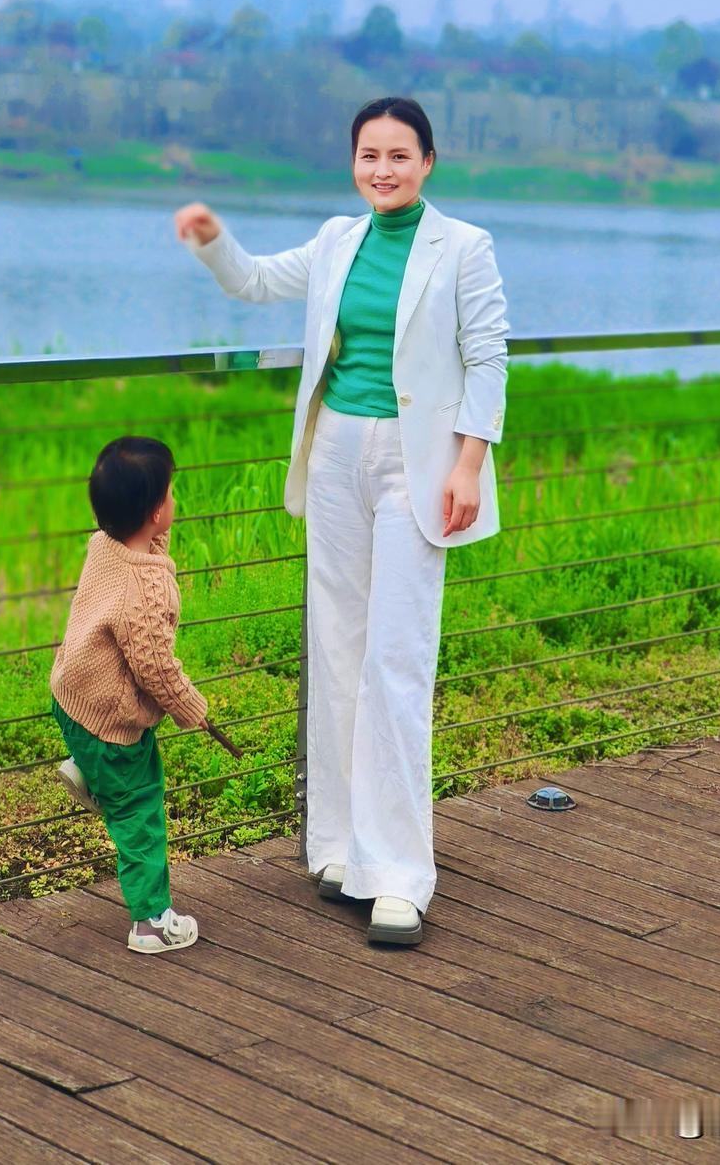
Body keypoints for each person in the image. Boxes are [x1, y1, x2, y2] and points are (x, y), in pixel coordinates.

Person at [175, 96, 508, 946]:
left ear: (429, 161)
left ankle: (400, 876)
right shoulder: (336, 240)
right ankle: (338, 847)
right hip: (333, 459)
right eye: (369, 156)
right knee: (337, 652)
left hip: (419, 465)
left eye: (400, 155)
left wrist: (468, 465)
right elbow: (253, 282)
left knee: (397, 660)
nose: (383, 170)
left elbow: (488, 357)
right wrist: (213, 239)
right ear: (352, 163)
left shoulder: (464, 247)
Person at [49, 435, 225, 953]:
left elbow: (140, 550)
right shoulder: (147, 589)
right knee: (140, 812)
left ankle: (87, 767)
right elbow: (154, 667)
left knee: (121, 774)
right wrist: (192, 707)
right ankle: (150, 922)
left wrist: (151, 533)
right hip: (110, 723)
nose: (176, 500)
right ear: (154, 511)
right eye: (170, 492)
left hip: (70, 697)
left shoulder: (103, 546)